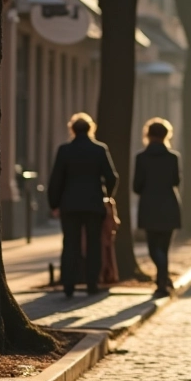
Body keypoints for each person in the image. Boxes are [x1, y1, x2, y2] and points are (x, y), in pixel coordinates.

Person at [48, 113, 118, 298]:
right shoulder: (99, 149)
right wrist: (107, 196)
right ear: (90, 129)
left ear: (72, 129)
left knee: (70, 244)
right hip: (94, 204)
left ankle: (68, 284)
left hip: (69, 204)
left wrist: (54, 203)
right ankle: (92, 283)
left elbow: (56, 179)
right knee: (93, 244)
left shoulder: (64, 150)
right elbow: (112, 177)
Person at [133, 118, 181, 298]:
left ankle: (162, 280)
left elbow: (136, 186)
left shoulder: (141, 157)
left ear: (148, 135)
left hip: (149, 206)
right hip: (169, 204)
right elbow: (176, 181)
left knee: (153, 247)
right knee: (164, 247)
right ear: (166, 135)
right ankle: (163, 279)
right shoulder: (173, 157)